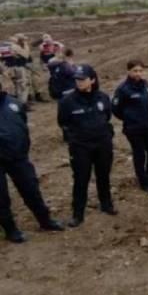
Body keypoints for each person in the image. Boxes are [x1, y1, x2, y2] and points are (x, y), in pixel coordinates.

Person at [0, 80, 64, 242]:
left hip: (18, 157)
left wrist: (22, 147)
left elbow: (23, 125)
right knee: (1, 197)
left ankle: (45, 221)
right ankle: (10, 230)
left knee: (31, 189)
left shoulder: (14, 104)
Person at [57, 64, 117, 227]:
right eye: (77, 79)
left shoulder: (103, 97)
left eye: (82, 79)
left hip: (102, 143)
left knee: (103, 175)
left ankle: (106, 204)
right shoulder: (67, 101)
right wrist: (75, 138)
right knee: (81, 179)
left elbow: (107, 116)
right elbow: (63, 122)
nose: (79, 82)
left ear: (92, 80)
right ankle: (78, 213)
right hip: (80, 146)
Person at [112, 59, 148, 193]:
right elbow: (115, 109)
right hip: (133, 129)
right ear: (128, 71)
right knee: (140, 155)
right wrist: (129, 118)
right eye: (135, 71)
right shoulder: (123, 89)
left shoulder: (145, 84)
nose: (138, 73)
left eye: (140, 71)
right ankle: (144, 182)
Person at [3, 35, 31, 106]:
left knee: (16, 86)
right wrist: (25, 45)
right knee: (22, 85)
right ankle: (22, 103)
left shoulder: (5, 46)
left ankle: (17, 101)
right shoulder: (15, 46)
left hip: (10, 68)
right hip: (18, 68)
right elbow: (26, 55)